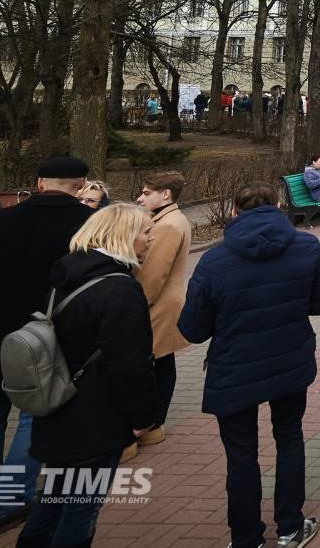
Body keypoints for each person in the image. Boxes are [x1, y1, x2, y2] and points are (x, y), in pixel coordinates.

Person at [178, 181, 320, 548]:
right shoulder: (307, 247)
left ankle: (246, 537)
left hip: (234, 368)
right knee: (290, 438)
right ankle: (290, 526)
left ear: (234, 211)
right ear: (279, 205)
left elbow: (193, 329)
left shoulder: (214, 260)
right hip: (289, 360)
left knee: (241, 455)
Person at [0, 156, 94, 535]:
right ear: (81, 186)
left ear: (39, 182)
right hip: (46, 337)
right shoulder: (86, 227)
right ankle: (9, 504)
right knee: (33, 418)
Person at [19, 203, 158, 548]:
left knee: (54, 497)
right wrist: (143, 416)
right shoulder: (119, 288)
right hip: (96, 414)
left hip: (60, 403)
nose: (150, 239)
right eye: (145, 232)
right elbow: (129, 362)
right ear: (123, 236)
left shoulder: (66, 274)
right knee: (81, 509)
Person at [133, 171, 192, 450]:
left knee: (155, 363)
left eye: (146, 193)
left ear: (165, 194)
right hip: (166, 303)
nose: (140, 197)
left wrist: (135, 305)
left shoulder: (167, 225)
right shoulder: (168, 219)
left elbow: (152, 275)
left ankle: (152, 423)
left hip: (159, 305)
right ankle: (152, 423)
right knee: (161, 361)